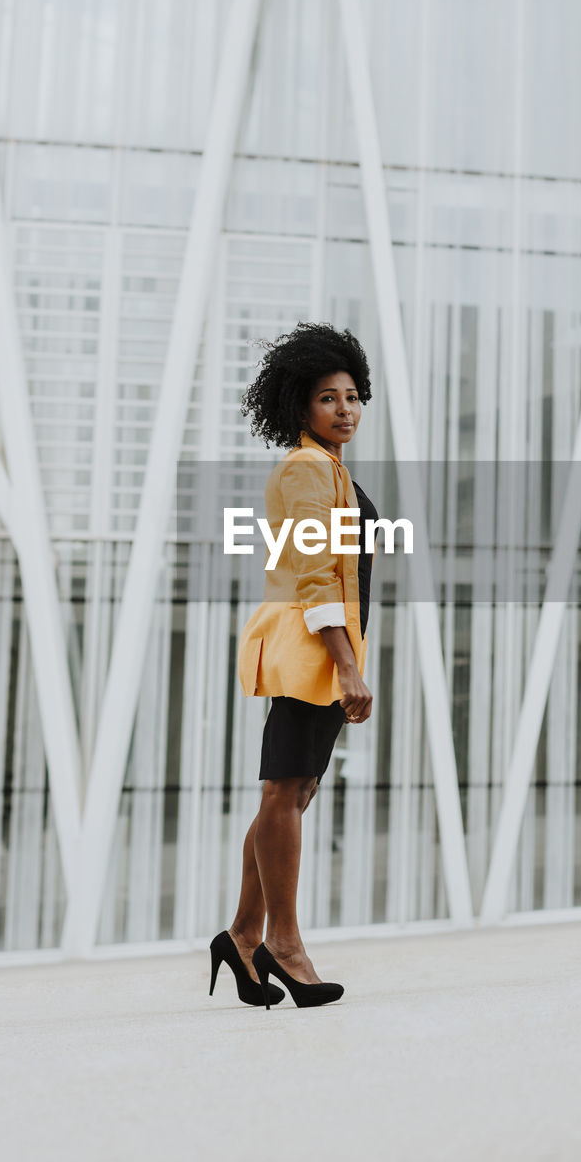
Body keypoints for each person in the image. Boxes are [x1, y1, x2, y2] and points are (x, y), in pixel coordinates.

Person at [208, 323, 378, 1009]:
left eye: (352, 397)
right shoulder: (307, 469)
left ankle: (244, 934)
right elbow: (314, 577)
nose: (344, 410)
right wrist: (345, 666)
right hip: (311, 648)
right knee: (286, 791)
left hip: (321, 648)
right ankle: (282, 942)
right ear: (298, 407)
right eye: (327, 399)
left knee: (292, 790)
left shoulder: (330, 468)